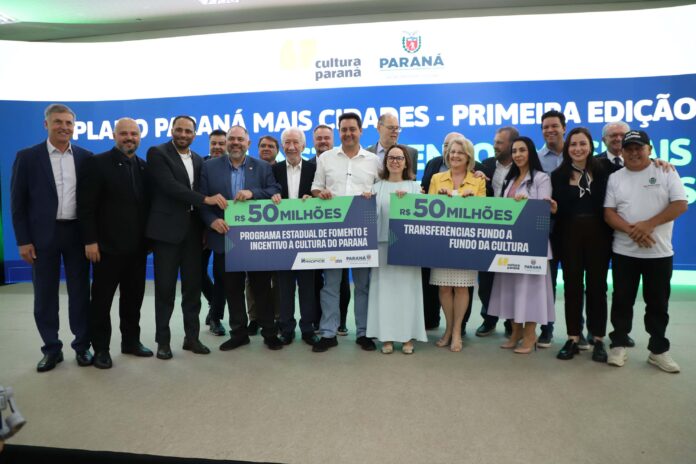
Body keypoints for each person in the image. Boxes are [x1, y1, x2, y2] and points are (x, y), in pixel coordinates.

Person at [10, 103, 93, 372]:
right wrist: (23, 240)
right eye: (58, 122)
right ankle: (51, 349)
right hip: (42, 237)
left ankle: (82, 347)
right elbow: (18, 203)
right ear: (46, 124)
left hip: (76, 234)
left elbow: (91, 202)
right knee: (45, 296)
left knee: (80, 293)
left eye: (68, 123)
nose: (64, 127)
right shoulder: (27, 157)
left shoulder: (85, 157)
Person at [604, 130, 688, 373]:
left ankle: (658, 350)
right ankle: (618, 344)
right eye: (628, 149)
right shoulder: (616, 178)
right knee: (622, 301)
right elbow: (609, 213)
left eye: (638, 148)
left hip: (659, 253)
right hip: (624, 251)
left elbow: (680, 204)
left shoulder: (666, 171)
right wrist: (633, 230)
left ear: (649, 149)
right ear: (621, 152)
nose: (633, 153)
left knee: (658, 304)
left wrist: (648, 225)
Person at [146, 115, 227, 360]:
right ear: (172, 130)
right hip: (166, 233)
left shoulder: (199, 160)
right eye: (179, 130)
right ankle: (163, 342)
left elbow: (200, 190)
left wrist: (205, 227)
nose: (183, 134)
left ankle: (191, 338)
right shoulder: (157, 153)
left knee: (192, 290)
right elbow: (169, 186)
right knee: (165, 291)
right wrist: (205, 200)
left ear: (194, 134)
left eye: (188, 131)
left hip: (193, 234)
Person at [77, 118, 153, 369]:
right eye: (124, 133)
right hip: (105, 249)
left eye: (134, 134)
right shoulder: (96, 163)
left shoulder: (144, 167)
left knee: (133, 300)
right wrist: (90, 240)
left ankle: (131, 342)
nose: (129, 138)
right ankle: (101, 349)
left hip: (137, 249)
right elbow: (85, 207)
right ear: (114, 135)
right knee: (101, 302)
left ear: (139, 137)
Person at [199, 125, 283, 351]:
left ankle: (269, 332)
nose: (235, 143)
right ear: (227, 142)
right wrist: (211, 221)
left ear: (248, 143)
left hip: (255, 239)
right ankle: (238, 333)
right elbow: (202, 199)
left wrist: (253, 193)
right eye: (232, 139)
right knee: (232, 289)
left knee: (261, 287)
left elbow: (274, 190)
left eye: (240, 139)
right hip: (224, 237)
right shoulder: (209, 167)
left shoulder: (262, 167)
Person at [311, 112, 381, 352]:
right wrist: (321, 193)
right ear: (339, 132)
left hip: (363, 231)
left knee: (363, 285)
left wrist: (373, 194)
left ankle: (364, 333)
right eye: (344, 129)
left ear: (361, 131)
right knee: (330, 285)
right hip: (333, 231)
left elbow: (381, 190)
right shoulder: (326, 158)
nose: (348, 133)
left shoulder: (374, 160)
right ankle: (328, 333)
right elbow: (315, 188)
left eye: (352, 129)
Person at [488, 136, 555, 354]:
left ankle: (529, 335)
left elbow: (543, 209)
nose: (517, 154)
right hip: (510, 244)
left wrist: (527, 204)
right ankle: (515, 333)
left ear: (531, 152)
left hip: (532, 245)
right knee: (510, 290)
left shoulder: (541, 178)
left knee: (531, 291)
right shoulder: (510, 179)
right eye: (515, 151)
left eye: (522, 150)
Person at [550, 127, 611, 363]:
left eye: (582, 143)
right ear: (567, 148)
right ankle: (573, 338)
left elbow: (635, 168)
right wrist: (554, 209)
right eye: (573, 144)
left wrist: (659, 163)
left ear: (590, 146)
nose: (578, 148)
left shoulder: (606, 169)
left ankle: (598, 339)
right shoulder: (558, 175)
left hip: (599, 236)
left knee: (597, 288)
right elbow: (558, 209)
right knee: (572, 287)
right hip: (569, 237)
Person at [366, 144, 426, 354]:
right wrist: (365, 200)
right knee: (385, 294)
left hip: (408, 250)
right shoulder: (376, 187)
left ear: (406, 162)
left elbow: (422, 219)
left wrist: (410, 201)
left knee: (407, 294)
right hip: (383, 247)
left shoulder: (415, 188)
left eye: (399, 158)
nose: (395, 161)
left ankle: (408, 337)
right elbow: (369, 217)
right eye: (391, 158)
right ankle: (387, 337)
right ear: (385, 161)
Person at [427, 136, 485, 352]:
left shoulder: (478, 181)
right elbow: (428, 209)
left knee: (461, 288)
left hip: (466, 242)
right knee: (444, 288)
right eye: (452, 152)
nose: (455, 156)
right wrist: (439, 199)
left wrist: (473, 201)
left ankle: (457, 331)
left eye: (460, 152)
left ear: (468, 156)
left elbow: (484, 212)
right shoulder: (436, 179)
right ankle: (448, 329)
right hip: (441, 242)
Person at [271, 127, 319, 346]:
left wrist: (315, 197)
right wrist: (271, 196)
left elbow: (323, 195)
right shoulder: (273, 170)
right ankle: (286, 328)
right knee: (285, 287)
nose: (291, 147)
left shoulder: (314, 169)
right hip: (282, 238)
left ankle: (308, 328)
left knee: (308, 286)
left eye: (295, 142)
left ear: (303, 145)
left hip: (308, 237)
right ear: (282, 146)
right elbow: (266, 192)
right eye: (287, 143)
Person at [475, 126, 519, 338]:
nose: (495, 146)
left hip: (514, 230)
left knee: (511, 278)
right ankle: (489, 318)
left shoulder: (522, 166)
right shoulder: (486, 165)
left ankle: (511, 322)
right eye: (495, 142)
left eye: (500, 143)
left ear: (511, 145)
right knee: (486, 279)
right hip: (488, 231)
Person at [309, 124, 351, 335]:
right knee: (317, 279)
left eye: (327, 138)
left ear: (333, 139)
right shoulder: (307, 165)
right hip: (314, 232)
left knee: (341, 279)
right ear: (313, 141)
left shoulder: (342, 162)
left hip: (341, 230)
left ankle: (341, 321)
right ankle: (318, 320)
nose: (323, 141)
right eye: (319, 138)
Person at [537, 109, 567, 348]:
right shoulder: (536, 159)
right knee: (547, 281)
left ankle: (578, 331)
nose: (550, 130)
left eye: (554, 126)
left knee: (575, 282)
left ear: (563, 128)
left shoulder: (578, 153)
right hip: (546, 227)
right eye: (546, 127)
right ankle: (546, 329)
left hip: (574, 226)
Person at [202, 129, 228, 336]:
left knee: (221, 275)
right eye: (214, 143)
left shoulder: (233, 166)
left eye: (221, 143)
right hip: (200, 230)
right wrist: (205, 225)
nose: (217, 147)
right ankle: (213, 303)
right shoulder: (199, 164)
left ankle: (216, 317)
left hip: (225, 230)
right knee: (197, 274)